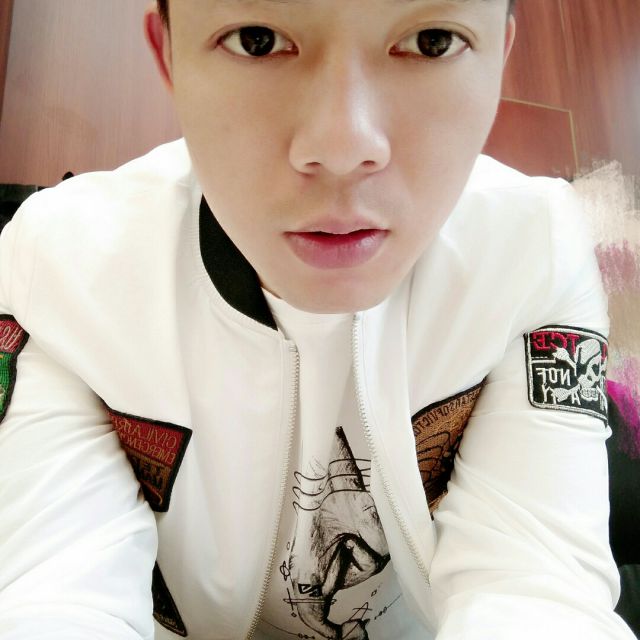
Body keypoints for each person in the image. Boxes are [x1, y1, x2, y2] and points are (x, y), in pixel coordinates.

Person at [0, 0, 635, 638]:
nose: (342, 148)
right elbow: (54, 594)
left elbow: (538, 590)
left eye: (433, 40)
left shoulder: (536, 251)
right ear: (168, 53)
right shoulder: (62, 269)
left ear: (500, 56)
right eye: (256, 39)